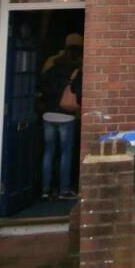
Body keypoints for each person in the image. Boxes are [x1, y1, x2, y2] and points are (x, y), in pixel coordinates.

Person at [38, 33, 83, 200]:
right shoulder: (77, 67)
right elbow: (78, 91)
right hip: (67, 115)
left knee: (48, 152)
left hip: (48, 114)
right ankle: (64, 190)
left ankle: (45, 189)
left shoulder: (52, 62)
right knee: (66, 154)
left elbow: (41, 84)